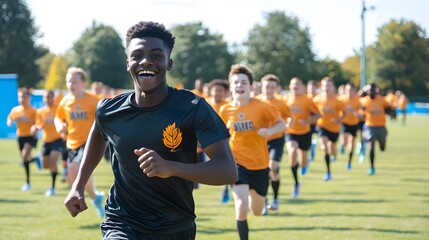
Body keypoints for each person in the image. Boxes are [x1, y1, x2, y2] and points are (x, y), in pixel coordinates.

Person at [63, 21, 237, 239]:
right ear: (128, 63)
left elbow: (228, 171)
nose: (146, 61)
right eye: (137, 55)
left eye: (156, 55)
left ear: (169, 63)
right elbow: (98, 137)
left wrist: (170, 167)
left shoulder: (192, 107)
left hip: (175, 226)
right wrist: (78, 186)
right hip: (122, 222)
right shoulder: (109, 110)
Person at [219, 64, 286, 240]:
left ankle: (256, 196)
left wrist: (269, 132)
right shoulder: (225, 110)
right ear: (231, 87)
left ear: (251, 87)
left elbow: (282, 124)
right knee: (241, 206)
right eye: (236, 83)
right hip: (237, 164)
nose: (239, 86)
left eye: (243, 82)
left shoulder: (262, 107)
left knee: (256, 211)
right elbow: (219, 136)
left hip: (260, 166)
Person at [55, 67, 106, 218]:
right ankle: (96, 198)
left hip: (89, 143)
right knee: (74, 178)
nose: (71, 84)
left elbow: (104, 117)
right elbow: (58, 117)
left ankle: (92, 197)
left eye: (75, 81)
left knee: (74, 170)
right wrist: (60, 127)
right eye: (68, 81)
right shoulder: (65, 101)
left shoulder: (94, 101)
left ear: (84, 83)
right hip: (72, 144)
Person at [256, 74, 290, 211]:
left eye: (272, 87)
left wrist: (288, 124)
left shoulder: (281, 103)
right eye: (266, 87)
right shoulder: (255, 101)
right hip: (259, 142)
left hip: (276, 139)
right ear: (261, 87)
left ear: (276, 88)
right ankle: (263, 201)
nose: (269, 90)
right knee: (264, 171)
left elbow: (289, 118)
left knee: (273, 168)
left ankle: (275, 199)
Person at [284, 77, 320, 197]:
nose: (295, 86)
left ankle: (305, 163)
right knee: (292, 153)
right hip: (291, 132)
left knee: (303, 163)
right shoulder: (286, 99)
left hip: (305, 133)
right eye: (293, 84)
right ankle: (296, 183)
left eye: (298, 84)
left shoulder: (307, 100)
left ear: (302, 86)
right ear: (289, 86)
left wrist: (308, 120)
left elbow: (318, 115)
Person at [31, 90, 66, 196]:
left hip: (58, 139)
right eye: (45, 97)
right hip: (46, 141)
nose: (47, 99)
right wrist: (35, 128)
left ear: (53, 98)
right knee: (46, 165)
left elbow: (65, 121)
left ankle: (52, 188)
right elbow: (39, 124)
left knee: (52, 160)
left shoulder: (59, 109)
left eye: (49, 97)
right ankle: (38, 158)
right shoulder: (40, 111)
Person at [7, 88, 41, 191]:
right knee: (25, 160)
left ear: (28, 98)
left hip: (31, 137)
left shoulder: (33, 110)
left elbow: (38, 122)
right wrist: (10, 122)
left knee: (24, 156)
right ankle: (28, 182)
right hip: (20, 137)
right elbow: (10, 118)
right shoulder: (16, 110)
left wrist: (35, 127)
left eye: (24, 97)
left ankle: (33, 162)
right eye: (20, 97)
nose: (22, 99)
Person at [205, 79, 233, 203]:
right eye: (216, 90)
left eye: (221, 91)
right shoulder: (205, 104)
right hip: (210, 139)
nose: (218, 93)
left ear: (225, 93)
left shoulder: (228, 105)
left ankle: (228, 188)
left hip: (228, 138)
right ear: (211, 91)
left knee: (230, 163)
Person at [313, 77, 345, 181]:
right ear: (321, 87)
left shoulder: (337, 100)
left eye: (329, 85)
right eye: (324, 85)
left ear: (333, 87)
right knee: (324, 146)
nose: (326, 88)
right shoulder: (317, 99)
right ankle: (328, 172)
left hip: (335, 129)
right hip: (322, 126)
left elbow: (344, 113)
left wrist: (339, 120)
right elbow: (311, 111)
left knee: (332, 149)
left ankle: (333, 153)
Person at [359, 83, 391, 175]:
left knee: (382, 148)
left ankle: (382, 142)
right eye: (369, 90)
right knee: (371, 145)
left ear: (376, 91)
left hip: (381, 126)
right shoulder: (364, 101)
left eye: (372, 90)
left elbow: (389, 109)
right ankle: (372, 167)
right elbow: (360, 109)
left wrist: (388, 112)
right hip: (370, 126)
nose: (371, 92)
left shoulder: (382, 100)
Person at [338, 82, 361, 170]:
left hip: (354, 123)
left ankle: (349, 162)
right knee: (344, 140)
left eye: (351, 90)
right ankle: (342, 145)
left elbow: (361, 113)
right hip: (344, 122)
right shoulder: (341, 99)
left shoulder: (357, 100)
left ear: (354, 91)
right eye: (347, 90)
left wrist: (355, 112)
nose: (349, 92)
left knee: (352, 143)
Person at [306, 80, 319, 162]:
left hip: (319, 123)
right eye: (310, 88)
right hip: (308, 123)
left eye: (313, 88)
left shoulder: (319, 98)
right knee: (308, 141)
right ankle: (311, 151)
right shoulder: (305, 98)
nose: (311, 90)